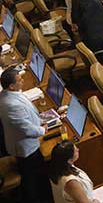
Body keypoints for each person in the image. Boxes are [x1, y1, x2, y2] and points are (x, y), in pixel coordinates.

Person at [0, 68, 48, 203]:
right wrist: (42, 130)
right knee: (32, 179)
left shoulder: (7, 94)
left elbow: (26, 114)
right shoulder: (10, 105)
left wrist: (39, 120)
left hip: (23, 142)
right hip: (26, 148)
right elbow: (25, 129)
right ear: (11, 85)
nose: (22, 80)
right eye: (19, 80)